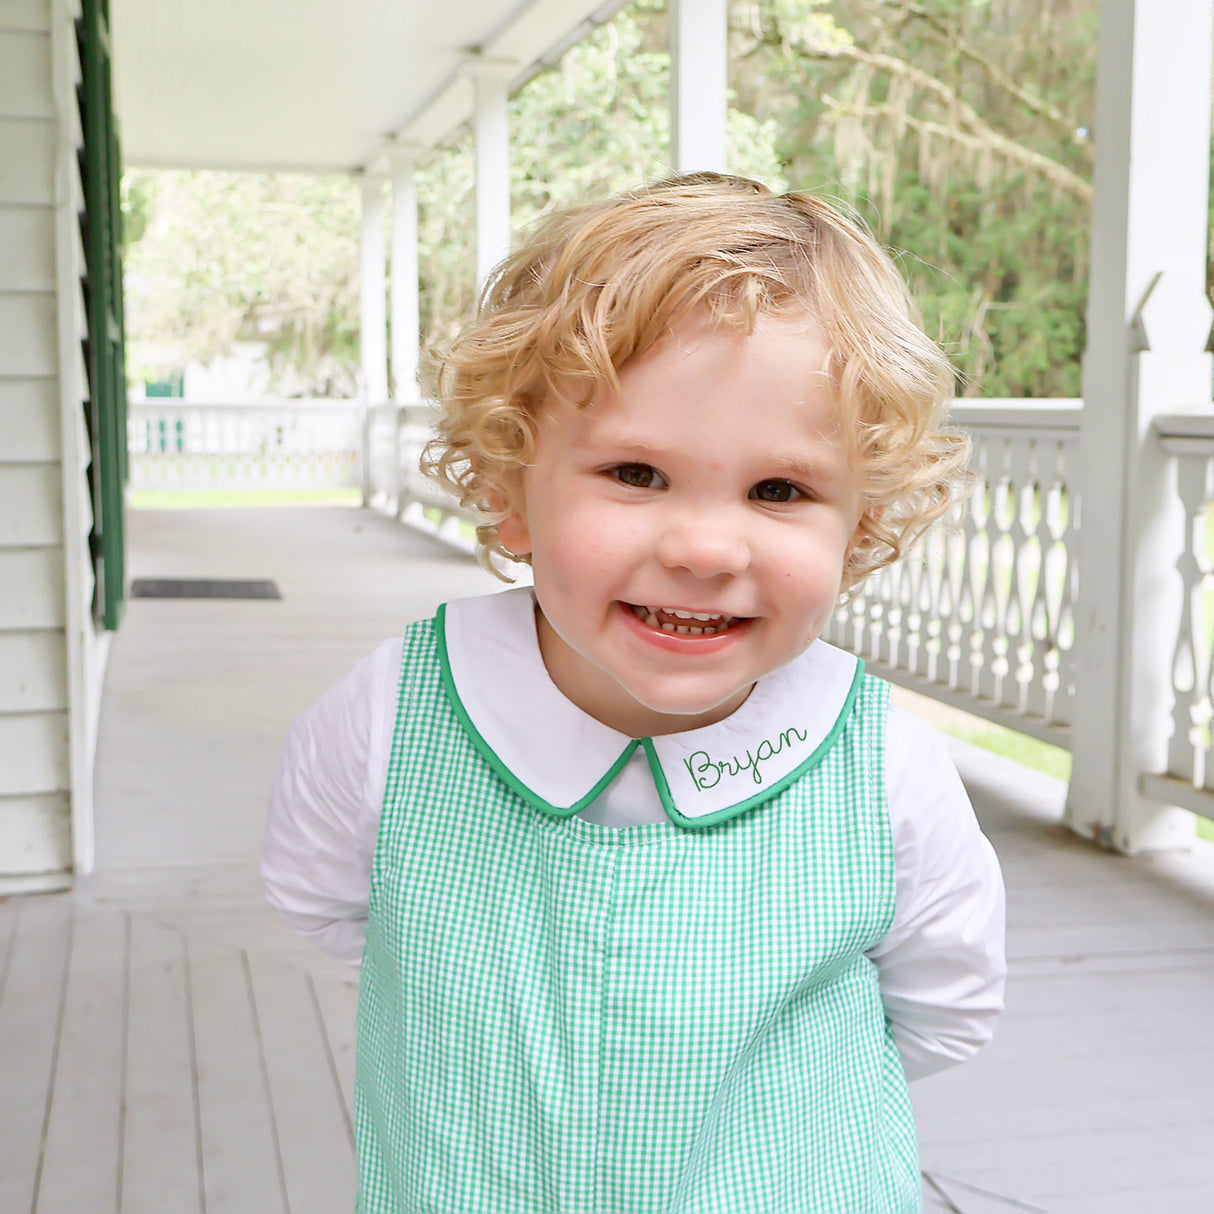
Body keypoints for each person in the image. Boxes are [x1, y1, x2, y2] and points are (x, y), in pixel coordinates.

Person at [261, 173, 1006, 1214]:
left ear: (860, 522)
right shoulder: (393, 721)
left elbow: (943, 1003)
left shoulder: (879, 770)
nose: (702, 546)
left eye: (778, 489)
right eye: (634, 473)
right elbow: (330, 902)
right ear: (507, 484)